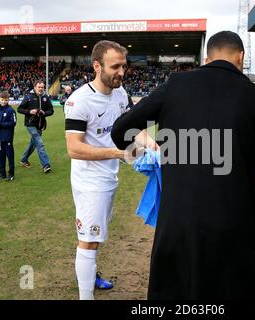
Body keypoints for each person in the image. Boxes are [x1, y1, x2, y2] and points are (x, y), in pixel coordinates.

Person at [111, 31, 255, 300]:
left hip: (177, 224)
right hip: (234, 227)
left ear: (206, 58)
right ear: (241, 57)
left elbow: (121, 131)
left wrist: (158, 146)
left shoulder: (175, 84)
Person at [64, 40, 156, 300]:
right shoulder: (79, 101)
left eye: (124, 66)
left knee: (96, 236)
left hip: (108, 178)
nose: (122, 72)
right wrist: (120, 153)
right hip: (89, 182)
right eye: (115, 67)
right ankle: (85, 296)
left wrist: (152, 146)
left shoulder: (120, 93)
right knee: (89, 240)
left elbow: (132, 128)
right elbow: (74, 149)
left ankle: (90, 275)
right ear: (97, 66)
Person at [17, 80, 54, 173]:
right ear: (35, 87)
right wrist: (30, 111)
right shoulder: (28, 96)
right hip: (30, 124)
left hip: (40, 125)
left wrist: (44, 113)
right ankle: (46, 165)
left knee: (33, 144)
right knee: (39, 143)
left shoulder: (45, 97)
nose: (41, 89)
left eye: (42, 87)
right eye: (39, 87)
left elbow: (51, 111)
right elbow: (19, 109)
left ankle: (23, 160)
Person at [0, 91, 16, 181]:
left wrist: (1, 124)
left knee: (9, 156)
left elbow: (13, 123)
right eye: (2, 99)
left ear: (8, 100)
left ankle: (11, 174)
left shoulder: (11, 110)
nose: (3, 101)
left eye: (5, 100)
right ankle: (2, 173)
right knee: (0, 156)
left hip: (7, 137)